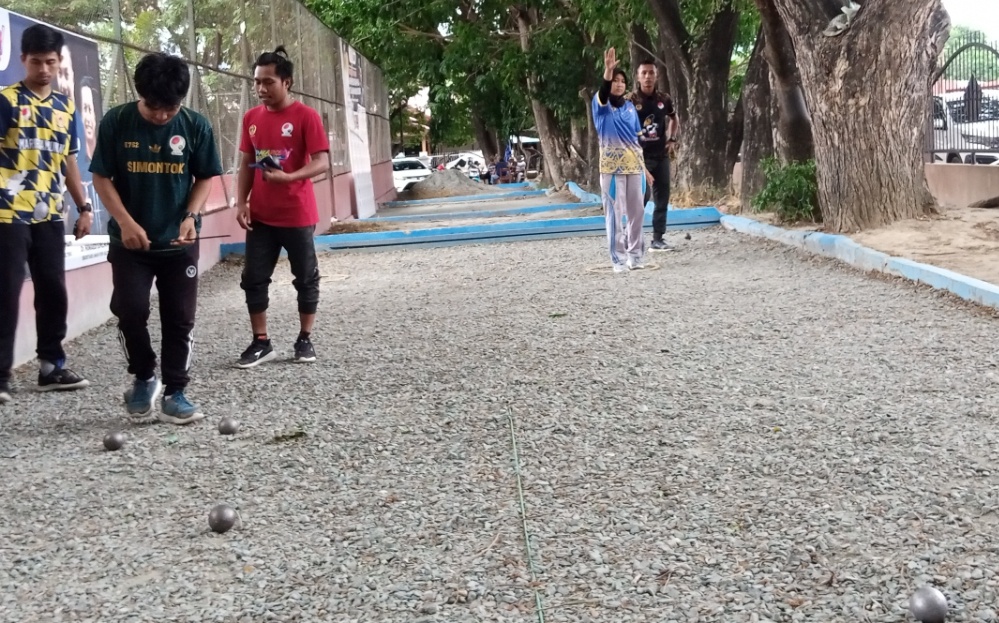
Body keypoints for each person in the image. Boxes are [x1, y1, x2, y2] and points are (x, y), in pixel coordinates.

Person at [90, 52, 223, 424]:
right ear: (140, 95)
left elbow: (204, 177)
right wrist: (126, 223)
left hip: (179, 244)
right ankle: (144, 377)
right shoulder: (117, 121)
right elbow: (101, 176)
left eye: (171, 108)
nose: (163, 116)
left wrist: (191, 217)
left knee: (179, 318)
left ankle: (176, 391)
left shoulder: (196, 126)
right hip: (130, 245)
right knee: (130, 310)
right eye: (154, 108)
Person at [0, 24, 93, 405]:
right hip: (7, 213)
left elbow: (69, 159)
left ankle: (52, 365)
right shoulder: (5, 101)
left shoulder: (65, 106)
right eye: (36, 61)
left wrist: (84, 206)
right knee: (5, 292)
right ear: (23, 59)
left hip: (50, 214)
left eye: (50, 62)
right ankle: (1, 375)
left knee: (53, 289)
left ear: (58, 63)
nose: (43, 69)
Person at [234, 46, 330, 369]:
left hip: (297, 214)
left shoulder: (306, 116)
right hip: (261, 215)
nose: (261, 89)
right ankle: (261, 342)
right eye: (257, 82)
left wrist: (290, 177)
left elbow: (322, 162)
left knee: (305, 276)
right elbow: (247, 162)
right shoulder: (251, 118)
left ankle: (305, 338)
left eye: (268, 82)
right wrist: (241, 202)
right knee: (254, 278)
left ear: (286, 82)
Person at [592, 47, 654, 272]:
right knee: (615, 215)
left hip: (634, 168)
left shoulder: (629, 108)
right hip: (611, 169)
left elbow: (637, 143)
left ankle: (635, 255)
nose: (618, 84)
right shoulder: (601, 107)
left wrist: (645, 170)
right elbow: (602, 92)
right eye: (615, 81)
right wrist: (607, 71)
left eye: (621, 81)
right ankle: (617, 259)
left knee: (637, 213)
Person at [632, 58, 680, 251]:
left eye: (651, 73)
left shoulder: (664, 99)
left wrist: (672, 139)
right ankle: (632, 238)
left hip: (661, 156)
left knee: (662, 197)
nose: (647, 77)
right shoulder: (631, 101)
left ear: (656, 75)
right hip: (639, 157)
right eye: (644, 73)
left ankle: (658, 239)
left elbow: (674, 118)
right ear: (638, 76)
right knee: (641, 197)